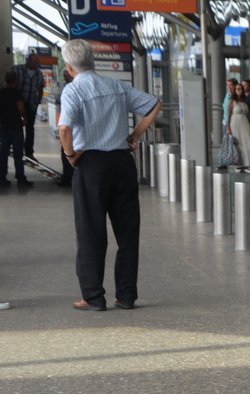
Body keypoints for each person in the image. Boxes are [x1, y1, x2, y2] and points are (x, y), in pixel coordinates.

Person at [58, 39, 161, 312]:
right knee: (128, 233)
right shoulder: (115, 85)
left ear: (69, 67)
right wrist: (134, 135)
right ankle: (126, 296)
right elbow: (153, 105)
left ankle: (93, 297)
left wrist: (69, 156)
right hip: (122, 163)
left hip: (90, 164)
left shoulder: (73, 90)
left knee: (91, 232)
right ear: (93, 61)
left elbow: (64, 129)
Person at [0, 71, 32, 187]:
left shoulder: (1, 92)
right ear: (16, 81)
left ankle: (2, 177)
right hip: (16, 127)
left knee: (3, 154)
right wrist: (25, 118)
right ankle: (20, 177)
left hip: (4, 126)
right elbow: (20, 108)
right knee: (18, 154)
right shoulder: (16, 93)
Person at [13, 53, 44, 159]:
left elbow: (40, 87)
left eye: (38, 63)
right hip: (18, 104)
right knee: (17, 128)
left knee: (30, 128)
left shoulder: (39, 74)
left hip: (31, 104)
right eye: (35, 62)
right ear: (28, 61)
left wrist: (39, 100)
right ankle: (17, 150)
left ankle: (29, 152)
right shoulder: (17, 70)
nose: (37, 64)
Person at [228, 82, 250, 170]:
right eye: (237, 89)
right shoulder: (232, 101)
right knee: (238, 142)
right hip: (235, 123)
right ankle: (239, 163)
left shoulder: (245, 102)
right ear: (235, 91)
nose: (239, 91)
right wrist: (228, 128)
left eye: (241, 89)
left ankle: (247, 162)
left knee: (246, 141)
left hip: (245, 123)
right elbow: (229, 114)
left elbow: (249, 115)